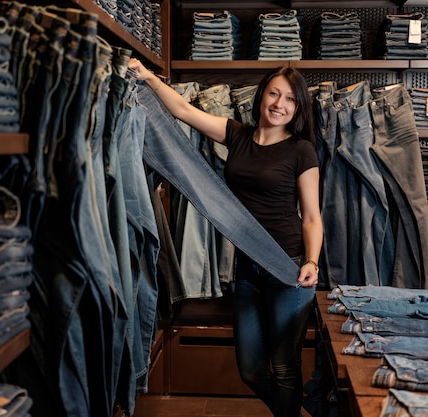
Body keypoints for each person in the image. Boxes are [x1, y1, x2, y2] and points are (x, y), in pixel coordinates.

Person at [128, 58, 323, 417]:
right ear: (261, 94)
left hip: (289, 266)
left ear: (299, 107)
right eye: (274, 94)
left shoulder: (301, 150)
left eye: (291, 99)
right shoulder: (237, 134)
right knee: (250, 368)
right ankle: (297, 409)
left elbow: (311, 216)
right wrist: (147, 78)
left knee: (283, 367)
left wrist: (312, 261)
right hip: (248, 265)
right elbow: (183, 110)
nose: (280, 104)